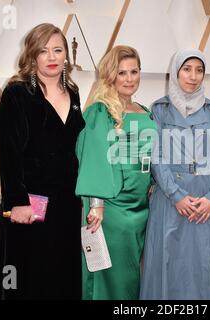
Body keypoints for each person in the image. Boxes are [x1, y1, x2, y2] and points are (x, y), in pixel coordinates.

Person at [140, 49, 210, 300]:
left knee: (208, 266)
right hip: (171, 200)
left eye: (199, 70)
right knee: (171, 266)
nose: (193, 76)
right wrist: (176, 195)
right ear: (176, 72)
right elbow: (155, 158)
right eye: (187, 69)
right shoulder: (160, 109)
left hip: (208, 199)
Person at [0, 23, 85, 299]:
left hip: (68, 204)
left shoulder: (74, 93)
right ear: (32, 55)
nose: (52, 57)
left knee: (62, 278)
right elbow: (9, 153)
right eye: (43, 51)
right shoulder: (17, 93)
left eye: (58, 50)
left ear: (66, 56)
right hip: (30, 205)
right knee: (26, 280)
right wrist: (17, 202)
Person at [75, 45, 157, 300]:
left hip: (143, 208)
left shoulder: (145, 111)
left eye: (134, 71)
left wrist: (154, 182)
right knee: (112, 280)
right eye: (122, 73)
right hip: (111, 209)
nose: (129, 79)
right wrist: (96, 204)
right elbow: (93, 157)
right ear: (111, 75)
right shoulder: (100, 111)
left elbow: (153, 155)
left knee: (133, 279)